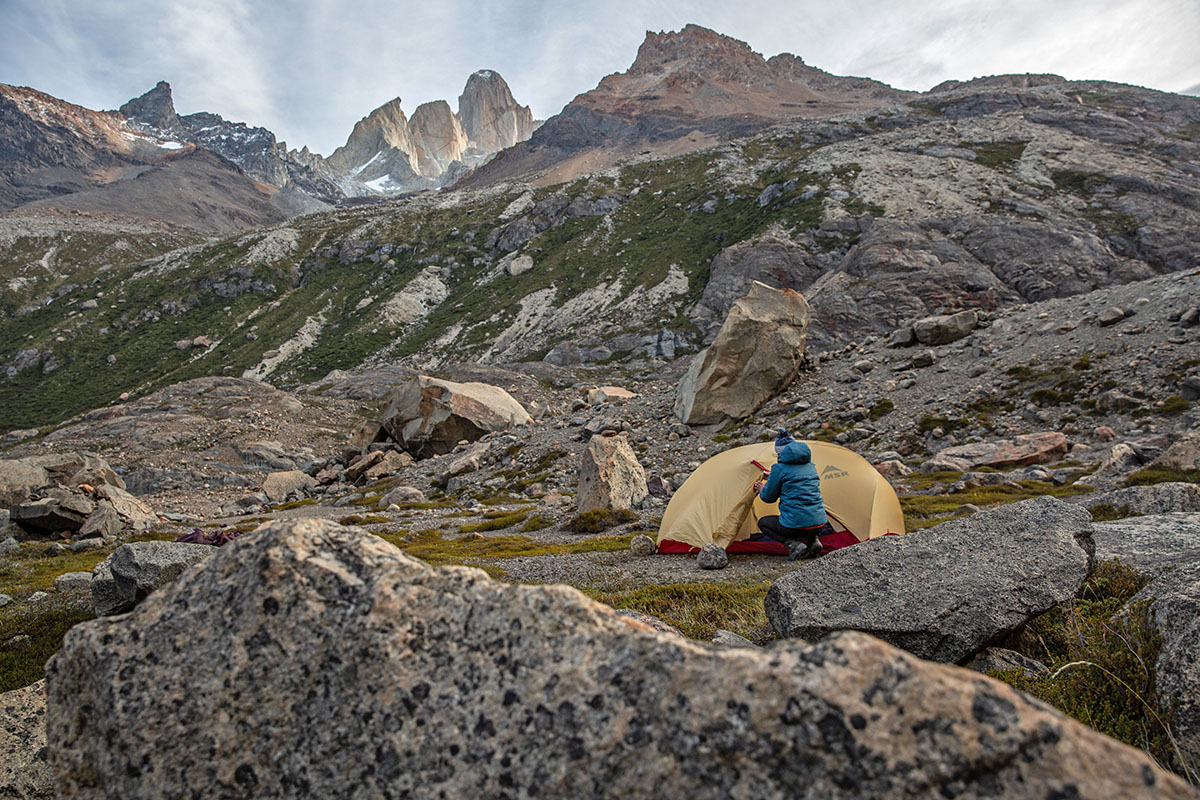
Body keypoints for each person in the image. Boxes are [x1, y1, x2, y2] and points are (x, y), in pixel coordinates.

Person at [754, 439, 833, 561]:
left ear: (782, 453)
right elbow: (794, 481)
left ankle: (793, 545)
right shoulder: (811, 467)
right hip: (820, 524)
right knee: (808, 513)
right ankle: (814, 541)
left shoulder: (779, 468)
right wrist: (774, 477)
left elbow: (768, 498)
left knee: (763, 523)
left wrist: (762, 488)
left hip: (794, 527)